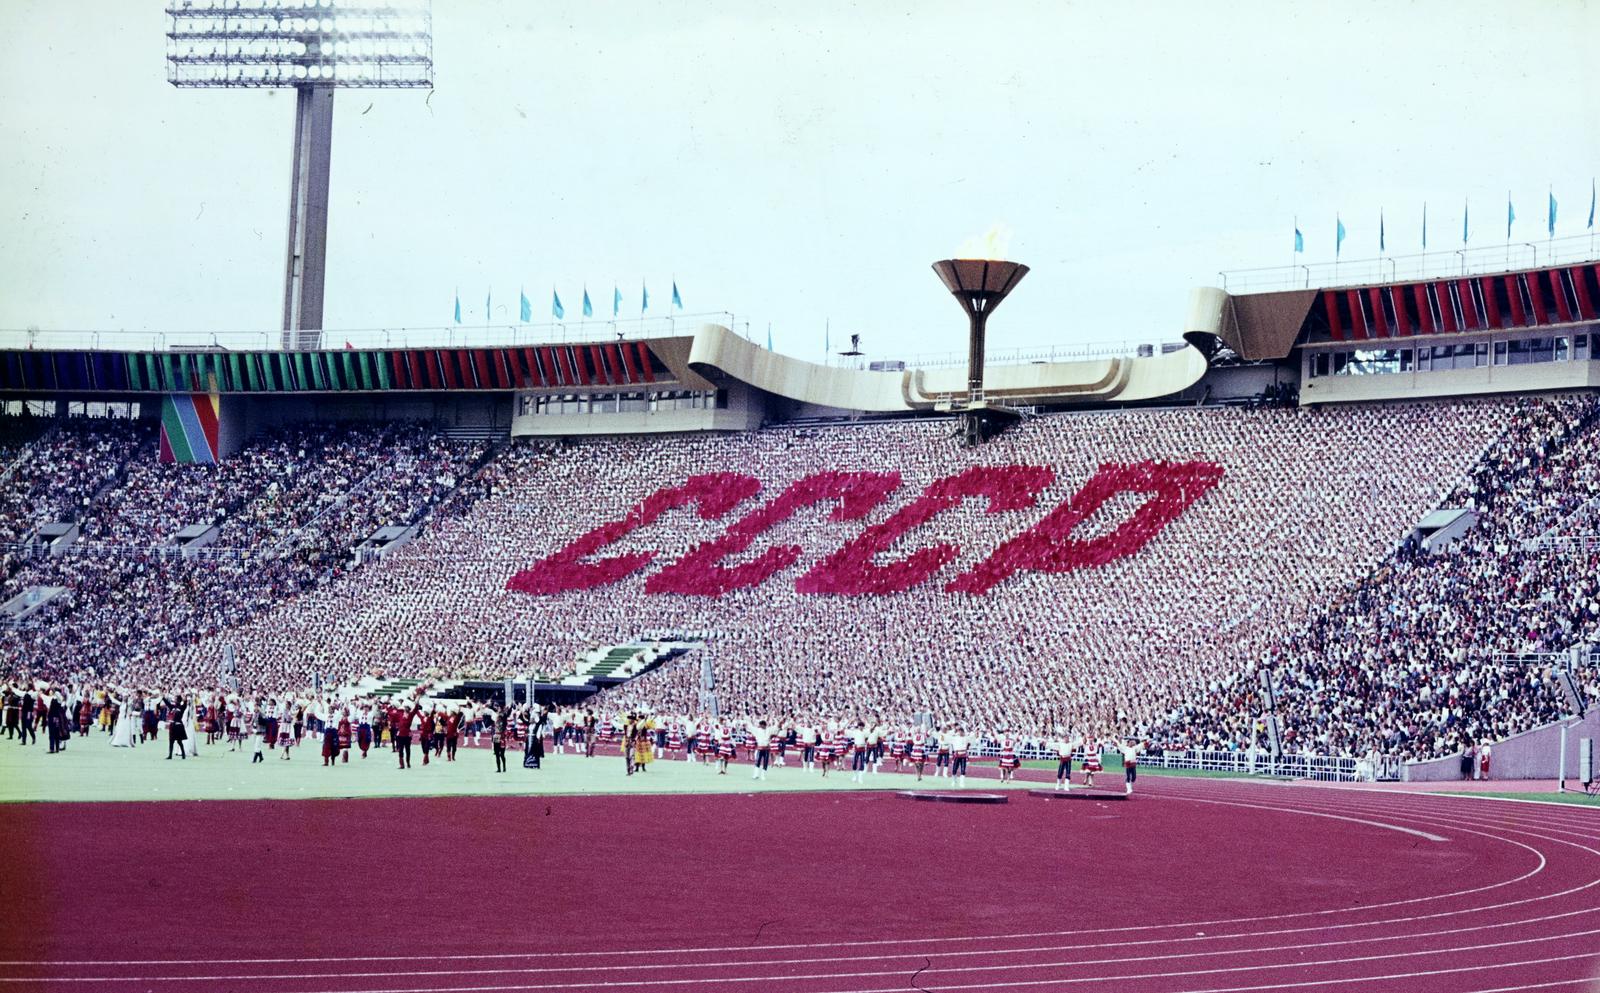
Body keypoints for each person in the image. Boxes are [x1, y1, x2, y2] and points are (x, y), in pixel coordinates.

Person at [165, 696, 188, 760]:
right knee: (171, 741)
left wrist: (185, 699)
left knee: (179, 741)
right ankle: (170, 755)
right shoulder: (172, 707)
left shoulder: (181, 707)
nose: (175, 700)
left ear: (178, 700)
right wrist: (163, 698)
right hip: (172, 725)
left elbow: (185, 704)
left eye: (176, 699)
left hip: (178, 725)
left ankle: (183, 754)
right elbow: (167, 703)